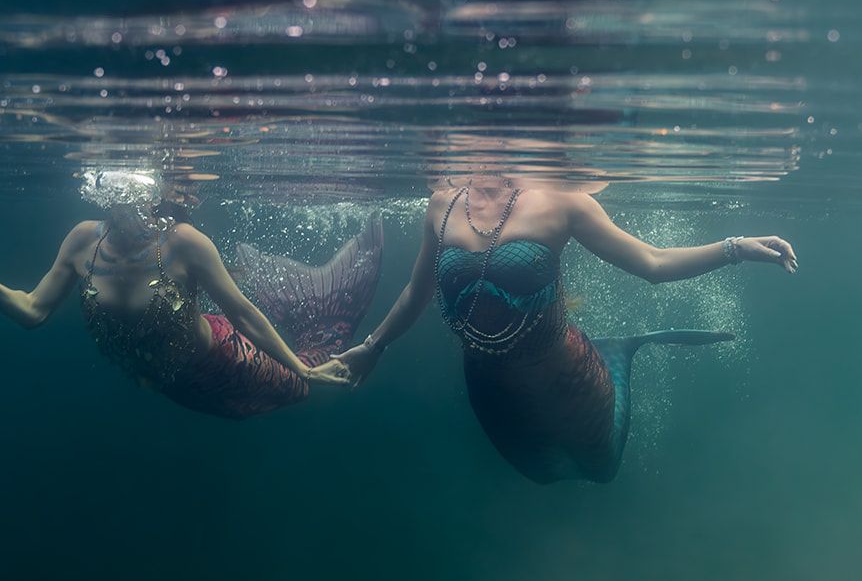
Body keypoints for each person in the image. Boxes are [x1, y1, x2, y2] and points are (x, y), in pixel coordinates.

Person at [332, 176, 796, 482]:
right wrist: (372, 347)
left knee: (601, 468)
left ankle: (617, 354)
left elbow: (653, 263)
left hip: (565, 376)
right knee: (540, 472)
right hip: (489, 386)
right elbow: (417, 292)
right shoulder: (442, 203)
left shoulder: (563, 201)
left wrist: (734, 247)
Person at [0, 169, 381, 418]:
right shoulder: (83, 239)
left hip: (225, 362)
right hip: (169, 385)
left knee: (301, 387)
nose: (131, 209)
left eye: (139, 199)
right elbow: (31, 312)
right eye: (118, 198)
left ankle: (322, 311)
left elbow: (242, 314)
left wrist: (299, 367)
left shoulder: (184, 242)